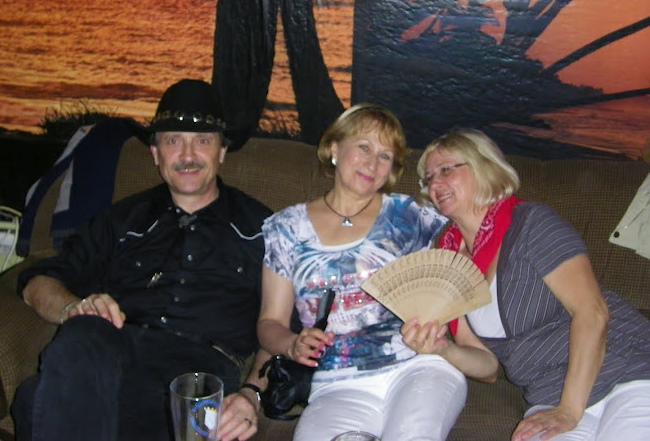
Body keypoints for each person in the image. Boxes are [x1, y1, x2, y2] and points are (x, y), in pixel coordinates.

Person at [11, 79, 272, 441]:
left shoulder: (262, 230)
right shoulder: (121, 220)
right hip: (113, 355)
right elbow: (38, 281)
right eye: (173, 141)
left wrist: (250, 395)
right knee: (84, 330)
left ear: (221, 151)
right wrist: (74, 308)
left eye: (202, 141)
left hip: (197, 373)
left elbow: (285, 328)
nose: (187, 155)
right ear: (155, 153)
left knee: (33, 400)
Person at [257, 103, 496, 441]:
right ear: (334, 148)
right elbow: (269, 322)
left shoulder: (415, 216)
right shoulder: (287, 228)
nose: (372, 163)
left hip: (418, 367)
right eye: (364, 147)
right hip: (336, 384)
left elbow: (482, 228)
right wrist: (292, 343)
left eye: (385, 156)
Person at [413, 128, 650, 440]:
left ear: (484, 167)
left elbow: (592, 312)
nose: (434, 184)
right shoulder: (448, 259)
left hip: (628, 370)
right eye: (428, 177)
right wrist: (443, 349)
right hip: (549, 394)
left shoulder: (530, 223)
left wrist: (569, 410)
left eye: (446, 170)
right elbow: (488, 366)